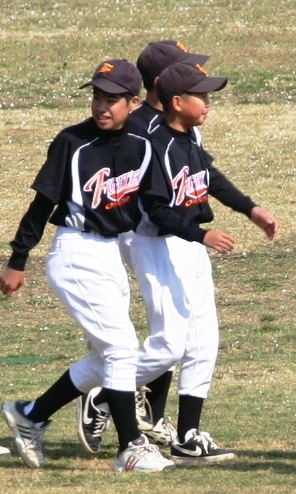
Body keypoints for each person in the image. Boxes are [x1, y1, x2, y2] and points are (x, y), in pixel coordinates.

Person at [0, 59, 174, 472]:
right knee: (121, 350)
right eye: (97, 95)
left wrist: (198, 230)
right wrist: (18, 259)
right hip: (75, 251)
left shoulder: (143, 146)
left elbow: (156, 205)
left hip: (111, 253)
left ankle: (30, 414)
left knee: (105, 357)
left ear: (133, 103)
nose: (101, 105)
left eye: (112, 98)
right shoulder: (73, 142)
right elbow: (41, 205)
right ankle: (130, 447)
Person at [130, 61, 278, 465]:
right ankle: (107, 388)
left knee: (204, 341)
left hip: (192, 246)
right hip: (160, 247)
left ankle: (188, 436)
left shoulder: (190, 136)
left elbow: (209, 177)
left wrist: (251, 209)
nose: (208, 103)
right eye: (202, 96)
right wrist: (203, 235)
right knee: (169, 346)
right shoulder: (155, 142)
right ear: (177, 102)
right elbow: (157, 210)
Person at [77, 39, 211, 455]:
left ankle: (164, 423)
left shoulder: (184, 124)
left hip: (183, 233)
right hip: (147, 235)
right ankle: (106, 394)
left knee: (194, 335)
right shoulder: (137, 126)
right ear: (163, 83)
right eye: (188, 70)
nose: (199, 76)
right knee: (169, 336)